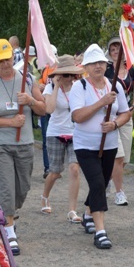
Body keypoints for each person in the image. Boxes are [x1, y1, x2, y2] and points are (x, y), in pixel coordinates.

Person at [0, 39, 46, 255]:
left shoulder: (27, 78)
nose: (4, 65)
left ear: (12, 57)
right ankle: (9, 231)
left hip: (24, 144)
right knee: (6, 187)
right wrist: (10, 122)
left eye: (7, 60)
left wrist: (31, 101)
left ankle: (4, 212)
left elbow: (43, 109)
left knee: (22, 188)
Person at [69, 44, 131, 249]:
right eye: (93, 63)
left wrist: (114, 124)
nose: (98, 66)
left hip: (109, 144)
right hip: (85, 145)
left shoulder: (116, 86)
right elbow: (77, 116)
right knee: (97, 183)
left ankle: (88, 214)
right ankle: (101, 231)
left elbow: (125, 112)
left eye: (101, 63)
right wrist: (101, 103)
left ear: (106, 64)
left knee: (102, 183)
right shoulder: (80, 87)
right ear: (86, 66)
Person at [41, 55, 84, 223]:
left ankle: (72, 210)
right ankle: (45, 196)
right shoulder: (49, 88)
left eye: (70, 74)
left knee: (74, 168)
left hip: (75, 132)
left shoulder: (79, 87)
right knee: (55, 172)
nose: (67, 77)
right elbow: (49, 109)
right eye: (64, 74)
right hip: (55, 132)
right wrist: (56, 86)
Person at [105, 36, 134, 206]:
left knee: (124, 158)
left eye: (118, 49)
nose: (115, 52)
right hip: (112, 116)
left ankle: (108, 179)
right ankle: (119, 193)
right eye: (112, 49)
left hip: (127, 116)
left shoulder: (131, 70)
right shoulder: (107, 71)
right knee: (117, 157)